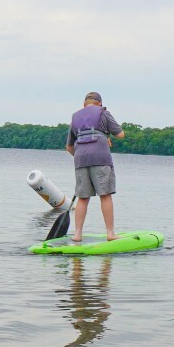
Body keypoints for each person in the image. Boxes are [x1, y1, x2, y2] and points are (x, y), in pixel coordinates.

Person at [66, 91, 125, 243]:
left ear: (84, 104)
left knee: (83, 198)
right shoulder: (103, 113)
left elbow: (69, 147)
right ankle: (110, 233)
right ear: (99, 103)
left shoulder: (75, 117)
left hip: (80, 159)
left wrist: (82, 157)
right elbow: (120, 134)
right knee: (105, 195)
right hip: (100, 158)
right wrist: (106, 137)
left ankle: (77, 234)